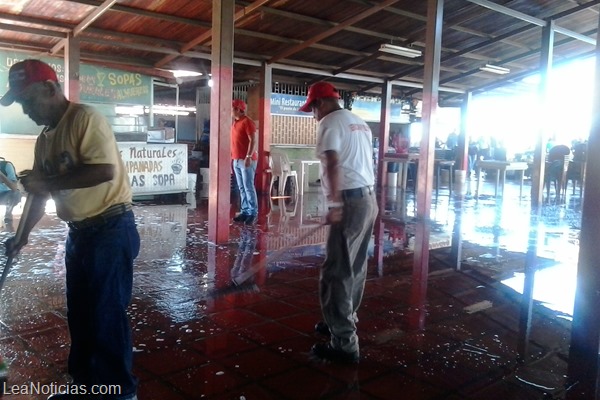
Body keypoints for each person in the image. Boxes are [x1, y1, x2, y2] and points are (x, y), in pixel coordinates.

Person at [1, 59, 139, 400]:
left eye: (29, 101)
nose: (27, 110)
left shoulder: (85, 118)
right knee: (80, 315)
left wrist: (46, 180)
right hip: (79, 234)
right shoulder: (45, 139)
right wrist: (21, 237)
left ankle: (120, 393)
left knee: (106, 314)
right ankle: (85, 386)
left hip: (110, 227)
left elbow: (103, 170)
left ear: (51, 89)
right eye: (20, 104)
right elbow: (39, 192)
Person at [299, 81, 378, 364]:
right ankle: (342, 319)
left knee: (335, 272)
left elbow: (332, 162)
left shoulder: (330, 122)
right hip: (368, 199)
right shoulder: (358, 122)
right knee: (354, 266)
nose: (313, 115)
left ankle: (344, 343)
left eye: (312, 109)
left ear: (320, 104)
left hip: (349, 201)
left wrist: (334, 205)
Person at [231, 99, 258, 225]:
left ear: (238, 109)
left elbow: (253, 140)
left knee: (248, 187)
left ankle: (252, 213)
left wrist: (248, 156)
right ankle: (245, 211)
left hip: (246, 160)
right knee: (241, 187)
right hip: (236, 159)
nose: (230, 111)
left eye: (232, 108)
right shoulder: (235, 122)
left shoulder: (247, 122)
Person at [0, 158, 21, 224]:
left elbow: (14, 187)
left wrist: (1, 174)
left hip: (5, 195)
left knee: (16, 194)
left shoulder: (6, 165)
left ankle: (8, 213)